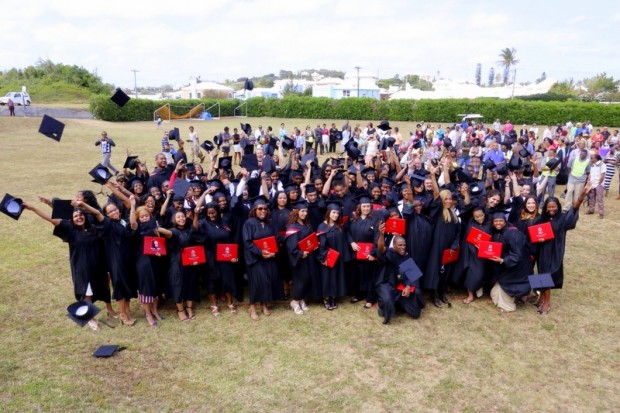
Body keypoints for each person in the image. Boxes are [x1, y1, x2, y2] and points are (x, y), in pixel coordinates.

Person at [23, 199, 111, 331]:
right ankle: (90, 318)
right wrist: (33, 208)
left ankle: (110, 309)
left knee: (104, 286)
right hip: (82, 267)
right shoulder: (69, 229)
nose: (79, 217)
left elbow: (97, 213)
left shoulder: (93, 227)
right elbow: (51, 219)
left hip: (98, 264)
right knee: (87, 292)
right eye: (75, 216)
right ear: (72, 219)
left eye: (81, 215)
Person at [535, 183, 590, 314]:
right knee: (541, 271)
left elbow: (574, 209)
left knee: (548, 274)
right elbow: (534, 233)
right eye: (549, 207)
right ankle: (541, 297)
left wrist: (582, 195)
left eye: (553, 206)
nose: (551, 209)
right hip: (542, 250)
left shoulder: (562, 219)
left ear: (558, 207)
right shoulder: (542, 219)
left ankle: (547, 303)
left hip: (555, 250)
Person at [242, 196, 284, 321]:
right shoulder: (249, 223)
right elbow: (247, 242)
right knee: (257, 283)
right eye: (260, 209)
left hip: (269, 257)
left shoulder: (270, 223)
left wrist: (274, 252)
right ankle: (252, 308)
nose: (263, 211)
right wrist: (261, 252)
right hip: (255, 258)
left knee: (267, 281)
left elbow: (276, 239)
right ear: (254, 210)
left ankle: (264, 305)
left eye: (265, 209)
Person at [488, 212, 533, 312]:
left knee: (505, 286)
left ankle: (515, 300)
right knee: (495, 292)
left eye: (500, 221)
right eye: (496, 221)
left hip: (518, 267)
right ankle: (519, 297)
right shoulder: (496, 232)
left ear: (505, 222)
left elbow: (518, 255)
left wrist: (503, 260)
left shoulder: (513, 233)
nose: (498, 223)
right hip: (507, 266)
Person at [128, 197, 163, 326]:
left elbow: (158, 244)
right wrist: (132, 206)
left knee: (154, 285)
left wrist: (159, 252)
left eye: (146, 215)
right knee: (145, 286)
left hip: (155, 260)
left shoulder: (155, 227)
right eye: (141, 216)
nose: (144, 218)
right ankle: (148, 314)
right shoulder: (137, 228)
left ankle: (155, 311)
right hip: (142, 261)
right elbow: (132, 222)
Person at [376, 236, 424, 324]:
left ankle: (398, 304)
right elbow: (381, 248)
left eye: (404, 245)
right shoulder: (390, 253)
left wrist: (408, 287)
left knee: (415, 311)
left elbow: (414, 276)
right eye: (400, 245)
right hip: (386, 284)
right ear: (394, 245)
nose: (402, 247)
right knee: (387, 303)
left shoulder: (406, 256)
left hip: (400, 285)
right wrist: (381, 234)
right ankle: (382, 304)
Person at [285, 201, 319, 314]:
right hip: (299, 259)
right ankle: (295, 301)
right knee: (301, 280)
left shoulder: (307, 225)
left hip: (309, 257)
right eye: (302, 211)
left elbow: (310, 240)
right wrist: (300, 254)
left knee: (308, 278)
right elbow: (291, 247)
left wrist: (314, 245)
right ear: (296, 212)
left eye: (306, 211)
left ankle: (301, 299)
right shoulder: (292, 228)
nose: (305, 213)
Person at [316, 200, 348, 310]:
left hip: (337, 257)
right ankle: (326, 298)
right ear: (328, 212)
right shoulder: (322, 227)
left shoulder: (338, 226)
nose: (335, 215)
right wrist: (323, 258)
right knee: (326, 277)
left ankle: (333, 297)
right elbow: (321, 244)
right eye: (333, 212)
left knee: (335, 277)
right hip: (327, 257)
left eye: (337, 213)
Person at [587, 154, 606, 218]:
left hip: (599, 184)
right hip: (592, 184)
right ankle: (591, 210)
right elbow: (590, 174)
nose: (591, 159)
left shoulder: (602, 164)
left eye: (592, 158)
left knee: (599, 199)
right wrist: (589, 182)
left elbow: (603, 175)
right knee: (591, 198)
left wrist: (599, 184)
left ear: (596, 159)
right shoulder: (592, 165)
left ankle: (601, 213)